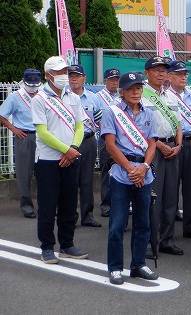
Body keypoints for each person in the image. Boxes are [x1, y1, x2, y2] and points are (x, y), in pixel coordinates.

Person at [100, 72, 159, 285]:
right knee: (117, 223)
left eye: (139, 88)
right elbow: (110, 145)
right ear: (122, 91)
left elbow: (152, 144)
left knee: (143, 222)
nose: (136, 92)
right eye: (131, 88)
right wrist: (130, 170)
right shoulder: (112, 113)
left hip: (144, 172)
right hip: (121, 174)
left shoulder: (149, 114)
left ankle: (138, 264)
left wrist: (143, 167)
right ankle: (115, 267)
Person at [32, 56, 89, 264]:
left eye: (65, 71)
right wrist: (67, 150)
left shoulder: (73, 97)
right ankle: (46, 247)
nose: (64, 76)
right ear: (48, 75)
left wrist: (73, 149)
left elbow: (79, 127)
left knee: (68, 203)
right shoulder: (39, 99)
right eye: (58, 72)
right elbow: (43, 132)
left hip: (70, 158)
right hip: (48, 160)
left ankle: (67, 244)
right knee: (47, 205)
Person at [142, 56, 184, 256]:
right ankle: (151, 242)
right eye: (156, 70)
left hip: (172, 149)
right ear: (147, 73)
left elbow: (179, 123)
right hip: (153, 150)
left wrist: (178, 144)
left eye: (164, 70)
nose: (161, 73)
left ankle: (167, 240)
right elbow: (137, 126)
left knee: (171, 197)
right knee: (153, 197)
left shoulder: (171, 96)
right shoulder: (141, 95)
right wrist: (159, 145)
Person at [0, 69, 42, 218]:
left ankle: (46, 205)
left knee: (44, 172)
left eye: (35, 84)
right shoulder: (16, 96)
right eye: (30, 84)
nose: (33, 88)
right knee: (24, 173)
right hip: (24, 136)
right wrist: (14, 129)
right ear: (24, 81)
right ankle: (26, 205)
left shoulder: (43, 95)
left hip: (43, 136)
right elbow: (0, 113)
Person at [167, 60, 191, 239]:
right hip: (172, 144)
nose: (183, 77)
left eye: (185, 74)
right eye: (179, 74)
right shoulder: (165, 96)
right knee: (170, 186)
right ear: (170, 76)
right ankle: (167, 228)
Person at [68, 64, 102, 228]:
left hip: (88, 141)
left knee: (87, 180)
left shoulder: (93, 98)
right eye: (71, 76)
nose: (74, 78)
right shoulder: (64, 97)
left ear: (84, 79)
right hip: (69, 142)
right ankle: (71, 216)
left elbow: (100, 120)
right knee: (70, 180)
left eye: (77, 76)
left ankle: (87, 216)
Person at [95, 68, 121, 218]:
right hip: (106, 140)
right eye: (111, 80)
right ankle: (106, 205)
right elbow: (98, 120)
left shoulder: (122, 96)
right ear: (105, 81)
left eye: (117, 80)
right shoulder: (98, 97)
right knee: (106, 172)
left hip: (123, 141)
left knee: (122, 172)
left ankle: (122, 204)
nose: (115, 82)